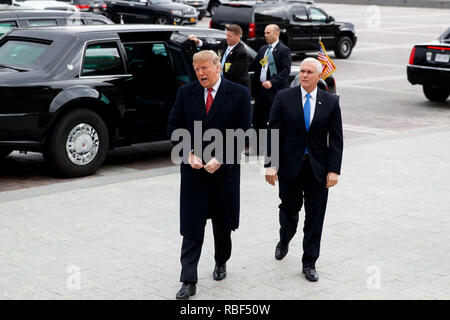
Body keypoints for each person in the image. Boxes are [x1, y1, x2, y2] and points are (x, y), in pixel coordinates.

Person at [167, 50, 251, 299]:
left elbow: (244, 131)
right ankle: (188, 279)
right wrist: (188, 153)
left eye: (205, 68)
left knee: (223, 226)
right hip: (194, 174)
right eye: (197, 69)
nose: (201, 73)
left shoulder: (238, 93)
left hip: (224, 174)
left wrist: (222, 158)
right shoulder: (186, 93)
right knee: (192, 227)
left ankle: (221, 261)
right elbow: (173, 126)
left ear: (218, 66)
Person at [264, 57, 343, 282]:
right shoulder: (284, 97)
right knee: (289, 211)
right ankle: (285, 238)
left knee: (315, 217)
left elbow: (336, 140)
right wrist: (271, 164)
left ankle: (309, 262)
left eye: (310, 72)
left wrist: (333, 170)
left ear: (319, 76)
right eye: (303, 72)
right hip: (290, 167)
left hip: (318, 169)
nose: (304, 75)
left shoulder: (331, 102)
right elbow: (272, 133)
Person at [249, 24, 291, 155]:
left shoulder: (283, 50)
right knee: (258, 120)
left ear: (276, 34)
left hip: (275, 92)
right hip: (261, 91)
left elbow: (286, 71)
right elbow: (255, 65)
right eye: (265, 32)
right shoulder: (263, 50)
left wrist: (272, 82)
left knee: (274, 121)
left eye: (268, 33)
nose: (265, 35)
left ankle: (272, 148)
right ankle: (256, 149)